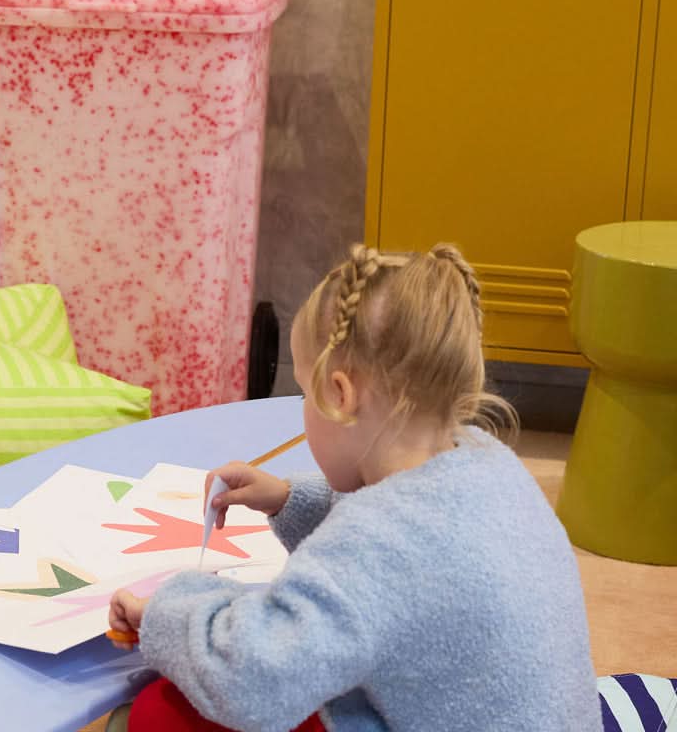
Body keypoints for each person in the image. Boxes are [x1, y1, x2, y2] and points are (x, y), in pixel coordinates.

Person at [108, 243, 600, 732]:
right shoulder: (488, 462)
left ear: (339, 395)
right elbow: (401, 552)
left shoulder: (379, 540)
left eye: (303, 391)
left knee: (159, 712)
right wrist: (285, 497)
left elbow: (251, 681)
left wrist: (167, 612)